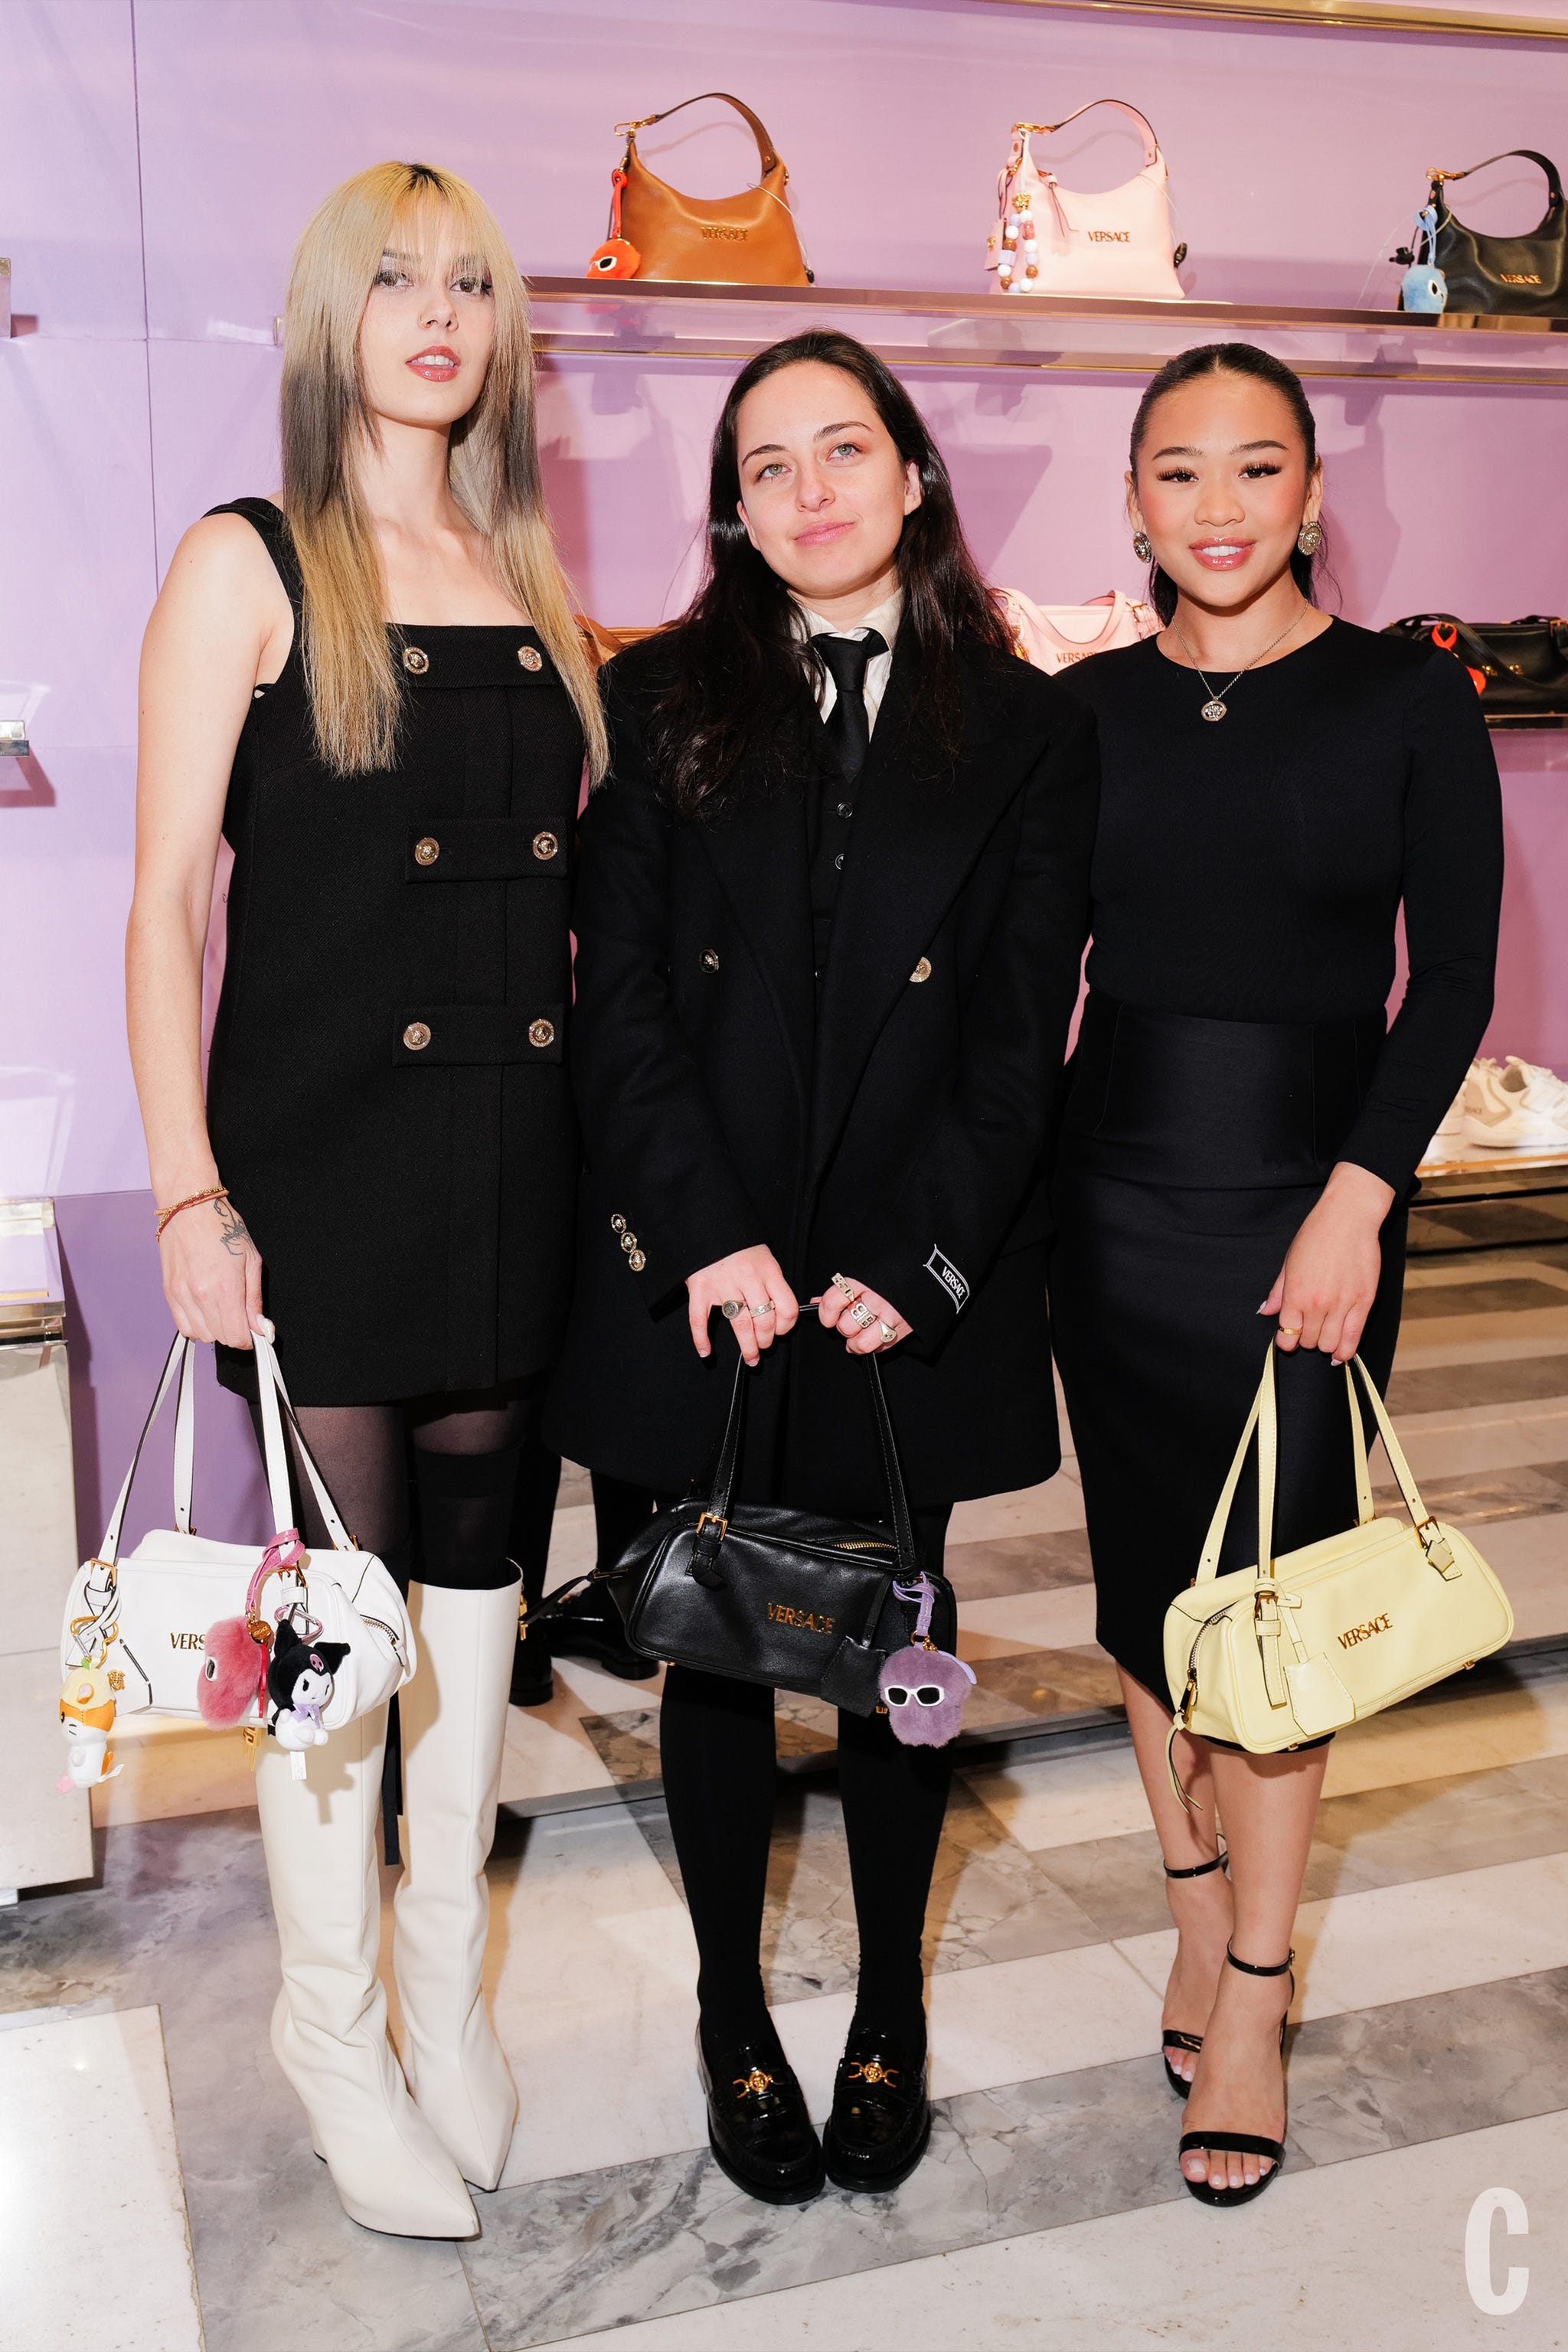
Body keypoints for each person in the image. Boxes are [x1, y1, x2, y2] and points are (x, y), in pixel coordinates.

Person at [544, 328, 1098, 2203]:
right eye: (765, 466)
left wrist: (919, 1262)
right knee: (709, 1644)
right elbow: (611, 995)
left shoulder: (1023, 724)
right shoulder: (661, 695)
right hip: (708, 1267)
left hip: (895, 1281)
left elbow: (1023, 1031)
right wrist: (704, 1227)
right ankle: (727, 2008)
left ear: (915, 472)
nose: (811, 492)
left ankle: (887, 2011)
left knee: (892, 1649)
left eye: (842, 449)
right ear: (733, 506)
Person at [126, 161, 606, 2239]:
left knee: (486, 1600)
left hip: (520, 1160)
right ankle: (330, 2030)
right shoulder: (245, 561)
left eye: (470, 286)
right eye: (396, 280)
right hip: (318, 1167)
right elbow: (161, 911)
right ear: (332, 318)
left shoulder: (525, 563)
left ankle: (441, 1979)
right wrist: (184, 1194)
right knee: (339, 1624)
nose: (438, 315)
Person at [1051, 341, 1502, 2208]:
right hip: (1112, 1196)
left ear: (1313, 494)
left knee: (1281, 1605)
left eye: (1257, 470)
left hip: (1307, 1202)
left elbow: (1452, 979)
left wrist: (1358, 1195)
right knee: (1155, 1591)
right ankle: (1189, 1907)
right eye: (1179, 472)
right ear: (1132, 500)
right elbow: (1021, 979)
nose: (1219, 508)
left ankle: (1254, 1980)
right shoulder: (1082, 711)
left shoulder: (1408, 697)